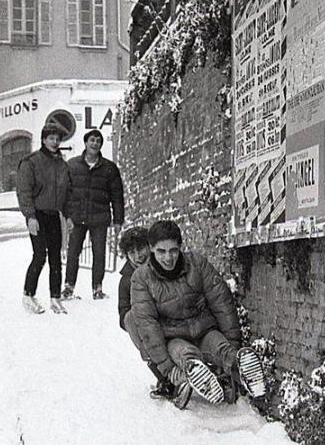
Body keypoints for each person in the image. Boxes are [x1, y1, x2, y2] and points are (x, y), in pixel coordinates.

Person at [130, 220, 266, 408]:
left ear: (180, 247)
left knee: (221, 348)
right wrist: (167, 369)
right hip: (174, 337)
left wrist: (233, 341)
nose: (168, 258)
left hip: (204, 329)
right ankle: (196, 373)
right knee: (187, 355)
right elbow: (147, 324)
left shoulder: (196, 263)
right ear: (151, 248)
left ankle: (240, 365)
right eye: (161, 251)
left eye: (173, 250)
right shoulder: (142, 278)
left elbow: (221, 300)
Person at [117, 226, 189, 407]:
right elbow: (123, 315)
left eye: (140, 249)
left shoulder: (164, 264)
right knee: (130, 318)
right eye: (131, 252)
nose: (137, 255)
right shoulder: (127, 280)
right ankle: (167, 377)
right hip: (150, 327)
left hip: (175, 317)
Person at [61, 129, 124, 300]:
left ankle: (97, 289)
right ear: (86, 142)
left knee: (99, 253)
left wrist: (118, 219)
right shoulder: (72, 165)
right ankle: (68, 287)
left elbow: (117, 196)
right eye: (92, 140)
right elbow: (65, 193)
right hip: (77, 217)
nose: (95, 143)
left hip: (99, 218)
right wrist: (67, 216)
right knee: (73, 252)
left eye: (98, 141)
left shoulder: (109, 168)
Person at [16, 125, 71, 315]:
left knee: (56, 257)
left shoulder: (62, 164)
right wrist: (30, 216)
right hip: (37, 214)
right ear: (43, 140)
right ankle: (28, 295)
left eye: (57, 139)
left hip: (54, 215)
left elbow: (66, 191)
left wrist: (67, 214)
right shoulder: (31, 162)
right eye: (51, 138)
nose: (55, 142)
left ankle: (55, 298)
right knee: (40, 255)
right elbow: (24, 191)